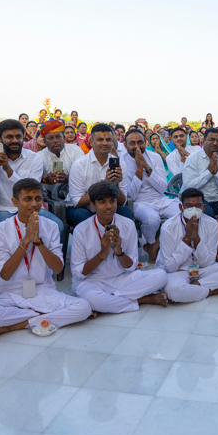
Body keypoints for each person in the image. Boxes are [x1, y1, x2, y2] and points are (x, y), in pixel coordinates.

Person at [0, 179, 92, 339]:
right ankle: (44, 315)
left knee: (84, 307)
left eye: (38, 199)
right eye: (28, 199)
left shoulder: (51, 226)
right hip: (11, 292)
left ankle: (17, 325)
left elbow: (58, 268)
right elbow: (5, 275)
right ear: (14, 202)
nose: (34, 204)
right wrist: (25, 241)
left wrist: (39, 242)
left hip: (43, 290)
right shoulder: (0, 230)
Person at [70, 182, 168, 311]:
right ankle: (142, 299)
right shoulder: (81, 230)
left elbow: (132, 266)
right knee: (94, 298)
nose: (109, 206)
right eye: (102, 202)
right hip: (92, 281)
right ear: (92, 205)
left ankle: (111, 300)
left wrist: (119, 251)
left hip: (120, 278)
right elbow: (78, 273)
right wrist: (101, 255)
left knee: (161, 275)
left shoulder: (127, 224)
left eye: (112, 201)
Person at [158, 188, 218, 300]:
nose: (193, 209)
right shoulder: (168, 227)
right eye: (189, 206)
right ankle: (216, 291)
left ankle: (195, 287)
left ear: (204, 208)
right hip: (178, 271)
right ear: (181, 207)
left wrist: (197, 238)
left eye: (198, 206)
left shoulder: (212, 224)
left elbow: (208, 262)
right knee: (174, 291)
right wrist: (187, 238)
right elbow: (170, 267)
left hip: (200, 269)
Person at [0, 119, 61, 228]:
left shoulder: (35, 158)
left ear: (23, 136)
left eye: (18, 136)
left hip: (32, 209)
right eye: (9, 137)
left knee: (57, 225)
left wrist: (7, 169)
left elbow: (30, 189)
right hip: (4, 210)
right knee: (7, 231)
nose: (15, 140)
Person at [66, 123, 133, 226]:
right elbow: (77, 202)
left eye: (108, 140)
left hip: (108, 207)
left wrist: (114, 185)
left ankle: (118, 242)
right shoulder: (79, 165)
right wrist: (104, 185)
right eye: (100, 140)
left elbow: (121, 203)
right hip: (84, 209)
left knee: (125, 213)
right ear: (92, 142)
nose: (105, 143)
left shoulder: (120, 165)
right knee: (81, 216)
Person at [123, 128, 174, 263]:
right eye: (132, 143)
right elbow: (131, 196)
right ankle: (152, 245)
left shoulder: (155, 157)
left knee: (185, 214)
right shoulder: (122, 162)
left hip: (160, 199)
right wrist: (139, 170)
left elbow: (162, 187)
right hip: (139, 202)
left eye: (140, 142)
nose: (137, 147)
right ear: (125, 145)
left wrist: (146, 167)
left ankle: (153, 245)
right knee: (152, 219)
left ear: (145, 142)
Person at [182, 130, 218, 216]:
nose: (215, 143)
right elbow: (188, 187)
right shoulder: (193, 158)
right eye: (211, 139)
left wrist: (217, 173)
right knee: (207, 214)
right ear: (204, 140)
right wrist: (208, 172)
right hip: (198, 200)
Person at [40, 119, 85, 187]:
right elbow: (32, 179)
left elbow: (84, 172)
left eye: (58, 137)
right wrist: (45, 179)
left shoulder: (75, 150)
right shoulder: (39, 156)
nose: (55, 141)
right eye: (50, 138)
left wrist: (68, 178)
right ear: (44, 141)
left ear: (64, 138)